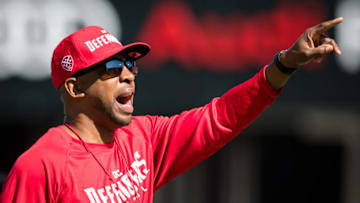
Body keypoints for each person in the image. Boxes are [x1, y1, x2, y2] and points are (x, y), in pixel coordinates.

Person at [0, 17, 343, 202]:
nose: (126, 75)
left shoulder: (143, 138)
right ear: (74, 88)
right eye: (110, 67)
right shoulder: (39, 166)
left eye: (129, 65)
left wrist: (283, 65)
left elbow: (221, 117)